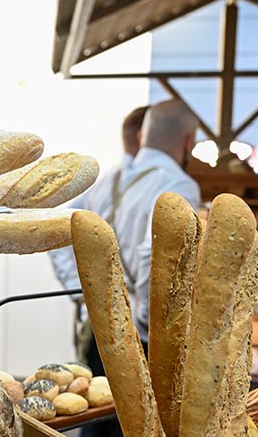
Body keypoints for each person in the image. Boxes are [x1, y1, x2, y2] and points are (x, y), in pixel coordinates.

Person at [50, 99, 201, 366]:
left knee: (97, 404)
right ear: (189, 141)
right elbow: (153, 255)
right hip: (140, 338)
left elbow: (60, 226)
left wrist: (80, 291)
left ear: (143, 135)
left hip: (97, 322)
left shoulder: (109, 178)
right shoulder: (179, 185)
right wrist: (147, 321)